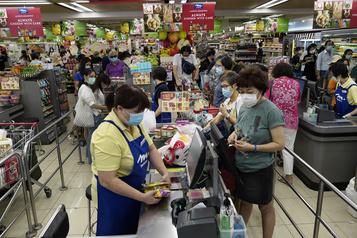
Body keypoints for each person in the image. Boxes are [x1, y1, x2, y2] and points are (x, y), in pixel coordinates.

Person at [91, 84, 170, 236]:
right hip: (114, 198)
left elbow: (151, 148)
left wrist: (164, 172)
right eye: (136, 112)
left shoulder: (135, 124)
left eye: (142, 112)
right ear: (119, 108)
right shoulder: (106, 135)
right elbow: (108, 180)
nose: (139, 116)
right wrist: (142, 197)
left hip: (134, 189)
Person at [227, 65, 285, 238]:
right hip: (242, 164)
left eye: (250, 91)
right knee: (245, 202)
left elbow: (279, 144)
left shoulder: (271, 111)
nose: (245, 95)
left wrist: (253, 148)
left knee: (265, 206)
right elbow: (240, 127)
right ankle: (241, 234)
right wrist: (233, 135)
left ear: (261, 90)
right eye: (242, 90)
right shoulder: (244, 105)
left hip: (261, 168)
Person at [266, 63, 300, 185]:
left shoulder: (273, 83)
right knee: (288, 148)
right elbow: (298, 100)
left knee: (271, 146)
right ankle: (289, 176)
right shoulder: (296, 83)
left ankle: (269, 172)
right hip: (292, 120)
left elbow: (267, 100)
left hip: (275, 119)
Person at [75, 69, 107, 164]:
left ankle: (90, 157)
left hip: (93, 115)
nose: (93, 78)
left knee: (91, 137)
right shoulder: (85, 88)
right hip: (92, 116)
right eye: (91, 76)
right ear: (85, 77)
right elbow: (92, 104)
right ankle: (91, 160)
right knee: (92, 138)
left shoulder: (86, 87)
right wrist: (105, 108)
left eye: (94, 76)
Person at [205, 71, 242, 138]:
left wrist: (227, 115)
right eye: (222, 87)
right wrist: (204, 130)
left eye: (225, 86)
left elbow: (241, 126)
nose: (223, 89)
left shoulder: (241, 101)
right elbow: (216, 119)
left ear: (235, 86)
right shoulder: (227, 101)